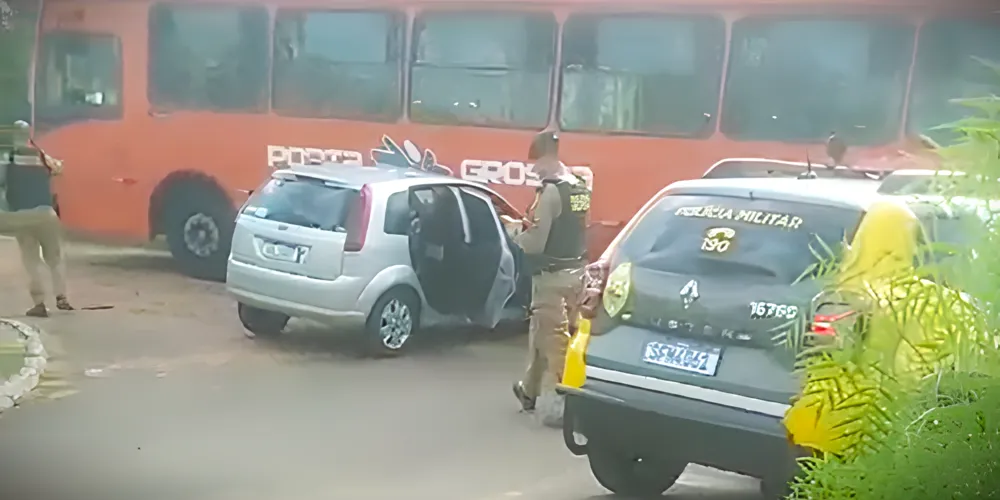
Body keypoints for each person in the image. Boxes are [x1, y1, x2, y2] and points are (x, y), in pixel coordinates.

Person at [512, 130, 590, 426]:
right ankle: (529, 390)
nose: (534, 169)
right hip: (576, 273)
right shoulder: (579, 187)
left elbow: (537, 241)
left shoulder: (551, 191)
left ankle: (567, 405)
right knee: (543, 332)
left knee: (554, 340)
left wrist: (514, 235)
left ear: (546, 157)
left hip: (551, 278)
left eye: (536, 163)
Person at [0, 119, 74, 317]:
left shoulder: (7, 157)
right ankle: (62, 297)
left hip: (21, 215)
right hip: (46, 213)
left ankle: (39, 303)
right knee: (55, 257)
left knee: (31, 260)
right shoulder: (40, 154)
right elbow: (58, 168)